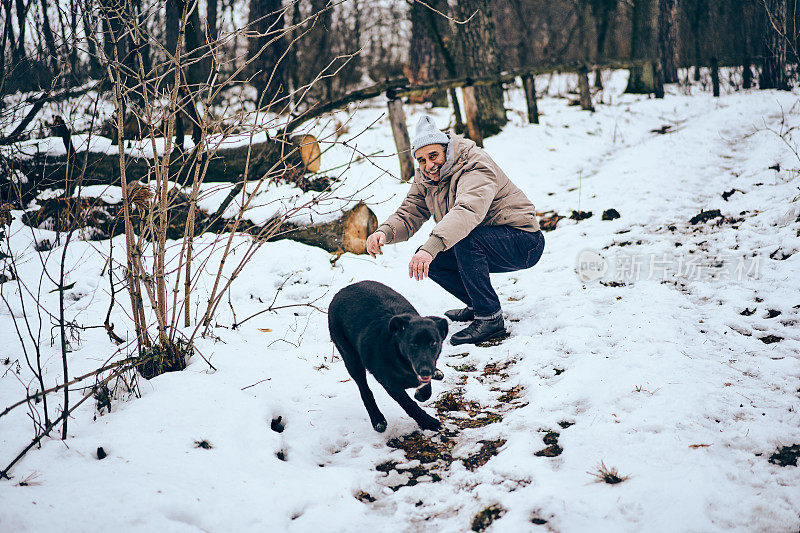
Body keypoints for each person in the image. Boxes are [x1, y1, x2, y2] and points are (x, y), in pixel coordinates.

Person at [365, 115, 545, 346]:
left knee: (460, 241)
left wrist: (432, 247)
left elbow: (467, 210)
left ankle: (490, 318)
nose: (428, 165)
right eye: (421, 160)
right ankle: (476, 304)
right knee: (433, 258)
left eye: (433, 156)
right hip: (486, 239)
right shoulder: (426, 178)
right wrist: (385, 232)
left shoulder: (474, 164)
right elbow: (410, 212)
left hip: (523, 241)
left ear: (447, 150)